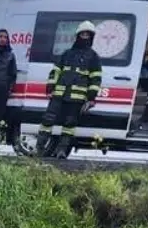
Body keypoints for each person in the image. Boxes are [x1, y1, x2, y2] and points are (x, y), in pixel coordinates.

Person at [36, 20, 102, 160]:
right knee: (47, 121)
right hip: (59, 94)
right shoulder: (66, 53)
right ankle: (39, 149)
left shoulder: (93, 57)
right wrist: (50, 86)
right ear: (77, 35)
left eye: (87, 34)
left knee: (69, 125)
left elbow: (96, 78)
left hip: (77, 98)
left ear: (91, 37)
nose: (85, 37)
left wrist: (91, 98)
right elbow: (56, 70)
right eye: (82, 34)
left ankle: (61, 151)